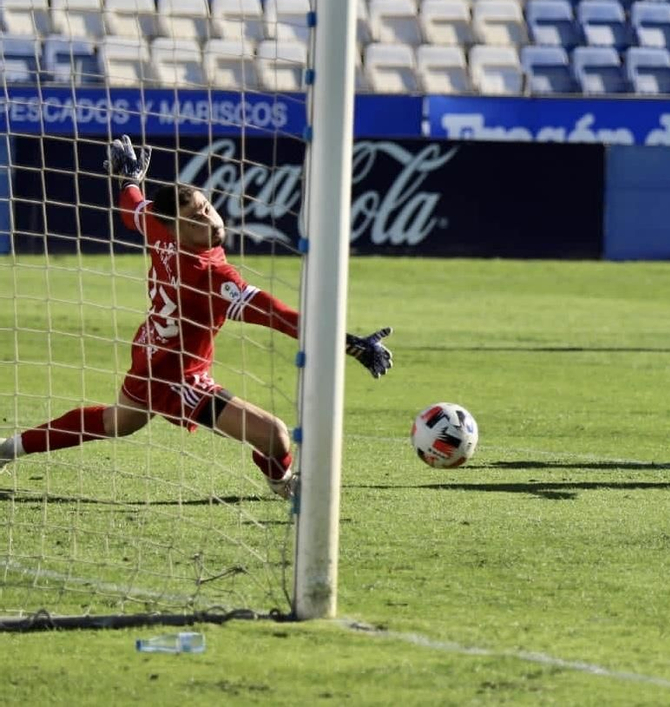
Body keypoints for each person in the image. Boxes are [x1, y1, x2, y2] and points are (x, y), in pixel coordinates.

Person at [0, 137, 396, 498]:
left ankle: (8, 449)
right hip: (178, 376)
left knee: (117, 422)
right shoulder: (211, 275)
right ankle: (284, 485)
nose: (209, 220)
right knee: (274, 434)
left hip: (150, 350)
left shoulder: (158, 226)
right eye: (196, 220)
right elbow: (279, 316)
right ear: (177, 229)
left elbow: (132, 209)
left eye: (206, 208)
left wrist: (129, 179)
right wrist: (349, 343)